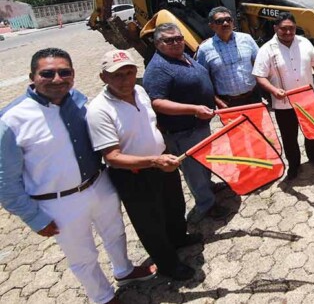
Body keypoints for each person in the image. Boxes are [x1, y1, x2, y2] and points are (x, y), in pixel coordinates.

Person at [0, 48, 155, 304]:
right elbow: (5, 181)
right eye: (47, 73)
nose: (57, 79)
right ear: (32, 76)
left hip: (98, 184)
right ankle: (103, 297)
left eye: (65, 72)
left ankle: (124, 270)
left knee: (115, 232)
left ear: (72, 75)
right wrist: (33, 217)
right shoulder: (11, 120)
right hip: (59, 202)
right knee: (82, 256)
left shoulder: (78, 99)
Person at [87, 49, 200, 281]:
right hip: (135, 175)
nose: (125, 79)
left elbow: (151, 124)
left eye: (129, 72)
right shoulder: (99, 110)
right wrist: (153, 161)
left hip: (162, 162)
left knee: (174, 205)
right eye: (117, 75)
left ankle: (179, 238)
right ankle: (168, 265)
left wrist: (162, 152)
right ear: (104, 78)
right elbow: (112, 157)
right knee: (151, 222)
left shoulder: (139, 91)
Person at [143, 23, 224, 223]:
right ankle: (206, 204)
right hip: (182, 130)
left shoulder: (183, 57)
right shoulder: (158, 68)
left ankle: (209, 186)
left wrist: (213, 100)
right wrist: (194, 109)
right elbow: (157, 102)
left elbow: (197, 83)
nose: (176, 43)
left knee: (204, 160)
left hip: (199, 124)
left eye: (178, 38)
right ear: (157, 43)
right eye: (168, 40)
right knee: (193, 168)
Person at [253, 12, 314, 180]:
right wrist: (273, 90)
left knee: (312, 131)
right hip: (284, 104)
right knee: (289, 137)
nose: (288, 32)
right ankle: (294, 165)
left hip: (308, 99)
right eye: (283, 29)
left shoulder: (305, 43)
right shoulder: (266, 49)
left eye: (291, 28)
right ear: (275, 28)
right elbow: (259, 75)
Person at [196, 7, 261, 108]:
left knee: (258, 124)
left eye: (228, 20)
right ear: (211, 26)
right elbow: (202, 79)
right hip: (227, 103)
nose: (225, 23)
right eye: (219, 21)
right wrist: (216, 100)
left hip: (253, 98)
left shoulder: (246, 39)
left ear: (233, 22)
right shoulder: (204, 49)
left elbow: (260, 65)